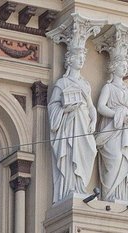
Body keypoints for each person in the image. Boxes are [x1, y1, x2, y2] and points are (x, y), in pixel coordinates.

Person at [49, 41, 97, 203]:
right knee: (70, 154)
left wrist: (94, 121)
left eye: (83, 57)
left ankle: (80, 186)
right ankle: (69, 187)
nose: (82, 60)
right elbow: (53, 106)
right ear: (70, 60)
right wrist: (65, 110)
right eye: (78, 57)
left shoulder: (85, 84)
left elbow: (91, 106)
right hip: (69, 125)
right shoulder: (61, 83)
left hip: (84, 122)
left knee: (90, 150)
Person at [97, 42, 128, 203]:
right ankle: (109, 197)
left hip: (124, 130)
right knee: (115, 158)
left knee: (124, 159)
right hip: (111, 129)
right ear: (114, 67)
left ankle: (121, 196)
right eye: (122, 65)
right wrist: (118, 114)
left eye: (126, 65)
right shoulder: (108, 88)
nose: (125, 67)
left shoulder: (127, 89)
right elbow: (101, 107)